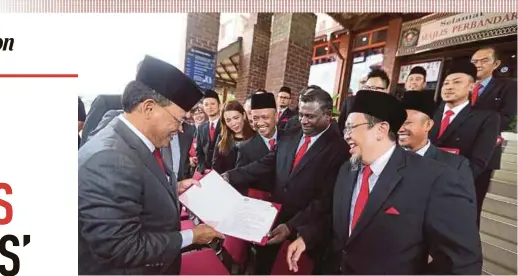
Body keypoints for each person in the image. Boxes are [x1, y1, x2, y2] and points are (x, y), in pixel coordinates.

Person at [287, 89, 482, 274]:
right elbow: (335, 217)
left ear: (381, 129)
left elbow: (461, 262)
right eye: (344, 128)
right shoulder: (347, 169)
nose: (346, 135)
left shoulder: (435, 178)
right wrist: (307, 237)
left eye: (351, 127)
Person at [78, 55, 224, 275]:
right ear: (148, 108)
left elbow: (131, 194)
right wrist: (194, 236)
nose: (180, 129)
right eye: (178, 119)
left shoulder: (129, 142)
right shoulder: (110, 158)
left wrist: (172, 189)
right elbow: (122, 247)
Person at [223, 88, 350, 274]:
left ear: (328, 115)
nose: (303, 121)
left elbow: (325, 200)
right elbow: (268, 162)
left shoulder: (339, 149)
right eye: (300, 114)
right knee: (262, 266)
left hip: (305, 230)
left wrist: (291, 226)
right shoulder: (292, 130)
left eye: (310, 116)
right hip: (275, 218)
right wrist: (229, 176)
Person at [429, 61, 500, 227]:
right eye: (446, 83)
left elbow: (478, 161)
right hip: (426, 187)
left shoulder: (486, 118)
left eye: (457, 82)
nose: (449, 87)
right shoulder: (432, 114)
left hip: (459, 189)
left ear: (472, 86)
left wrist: (450, 181)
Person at [399, 90, 475, 198]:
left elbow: (462, 211)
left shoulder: (454, 166)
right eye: (397, 123)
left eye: (407, 123)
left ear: (428, 125)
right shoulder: (384, 156)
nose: (400, 129)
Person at [338, 68, 391, 135]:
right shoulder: (350, 102)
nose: (369, 91)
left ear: (385, 91)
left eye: (374, 88)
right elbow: (340, 128)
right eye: (367, 87)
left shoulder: (390, 110)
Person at [212, 100, 255, 174]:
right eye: (228, 120)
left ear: (243, 115)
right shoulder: (222, 138)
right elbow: (215, 166)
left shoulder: (255, 137)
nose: (233, 123)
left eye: (236, 118)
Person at [195, 90, 221, 173]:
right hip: (205, 172)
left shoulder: (226, 126)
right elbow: (199, 151)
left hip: (223, 173)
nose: (209, 107)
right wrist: (202, 168)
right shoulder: (201, 128)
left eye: (213, 104)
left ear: (219, 106)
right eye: (206, 104)